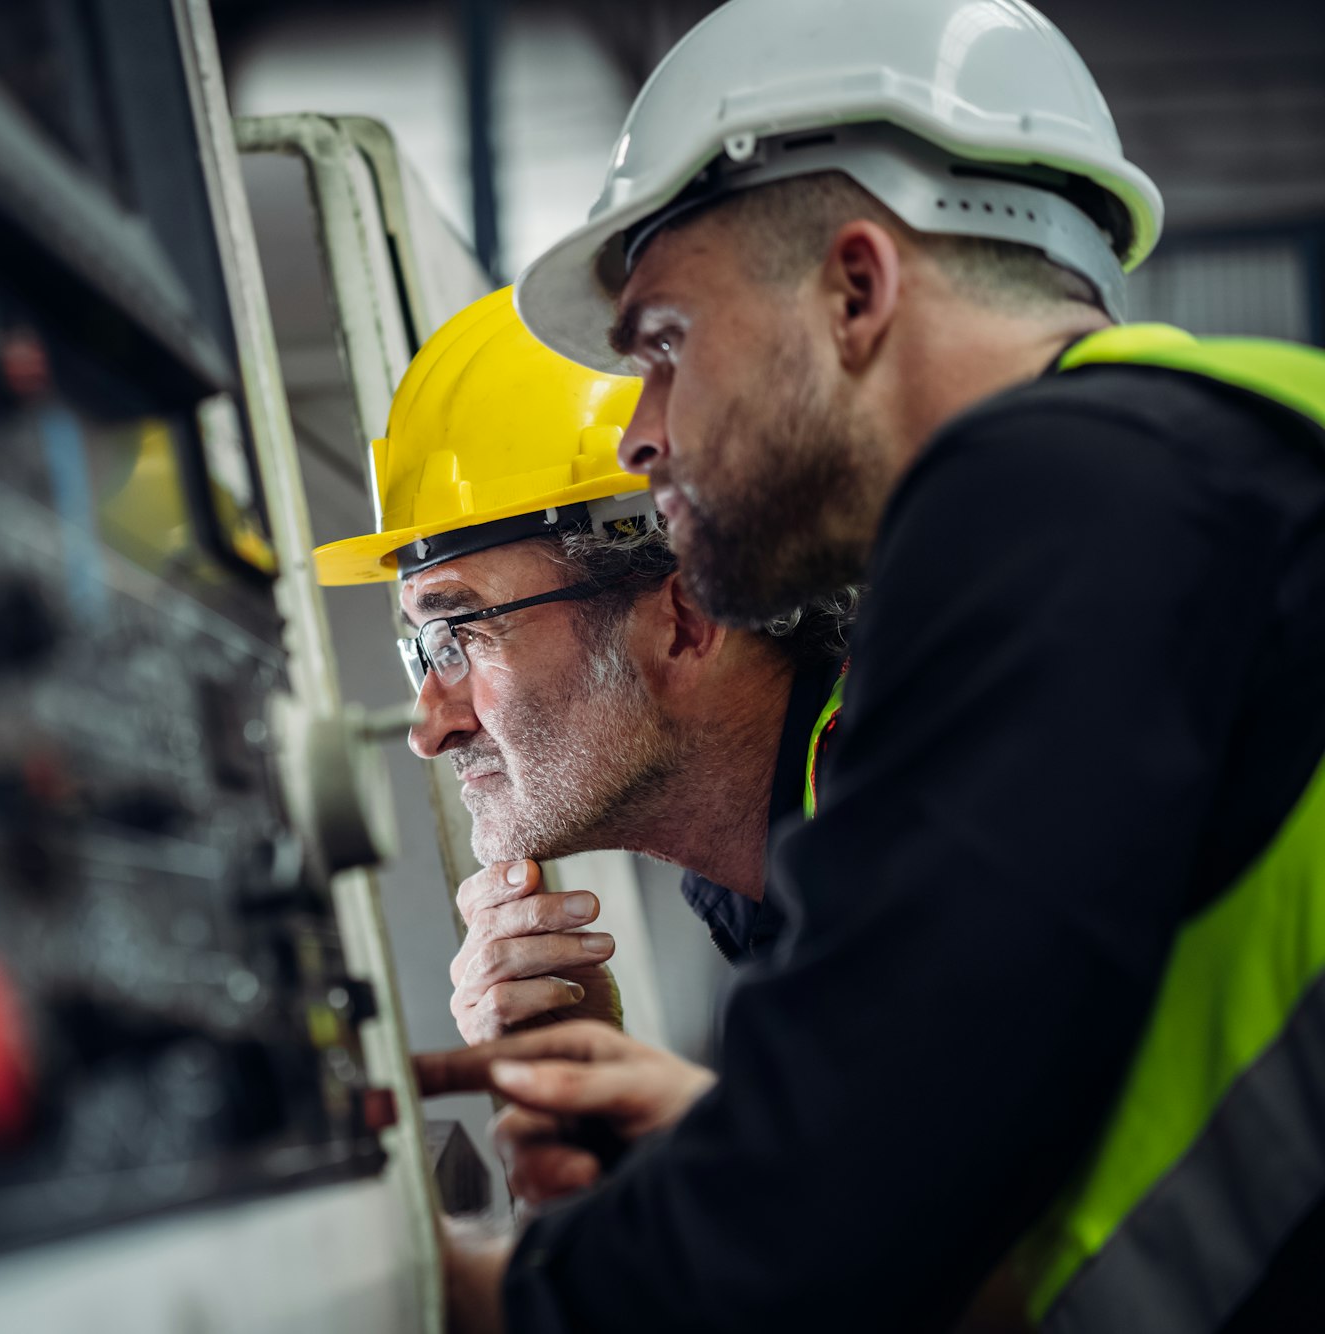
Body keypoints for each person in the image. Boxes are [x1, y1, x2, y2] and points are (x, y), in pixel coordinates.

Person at [417, 1, 1325, 1331]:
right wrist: (727, 1150)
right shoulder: (1208, 472)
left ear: (856, 288)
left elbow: (829, 1228)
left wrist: (439, 1295)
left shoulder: (1054, 490)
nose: (642, 436)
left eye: (664, 344)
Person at [311, 288, 853, 1045]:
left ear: (686, 624)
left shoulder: (929, 837)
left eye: (459, 634)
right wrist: (596, 1095)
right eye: (426, 652)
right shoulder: (795, 887)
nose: (429, 728)